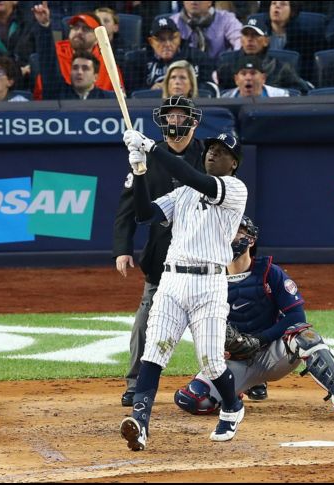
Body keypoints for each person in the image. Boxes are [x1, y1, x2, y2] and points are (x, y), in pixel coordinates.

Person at [118, 128, 248, 451]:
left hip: (209, 284)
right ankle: (141, 423)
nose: (212, 153)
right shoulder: (183, 194)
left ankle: (232, 406)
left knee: (211, 361)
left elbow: (195, 178)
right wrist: (140, 172)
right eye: (211, 149)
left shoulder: (234, 189)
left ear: (234, 163)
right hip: (172, 281)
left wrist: (151, 148)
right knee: (154, 352)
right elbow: (145, 214)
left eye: (222, 151)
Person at [173, 216, 334, 420]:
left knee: (305, 335)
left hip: (274, 354)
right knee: (191, 399)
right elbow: (201, 326)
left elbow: (296, 316)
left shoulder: (270, 272)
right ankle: (236, 392)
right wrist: (217, 347)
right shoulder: (208, 281)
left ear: (251, 239)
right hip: (236, 361)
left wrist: (260, 340)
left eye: (237, 231)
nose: (229, 236)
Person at [113, 95, 206, 408]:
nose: (174, 122)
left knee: (232, 319)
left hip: (206, 253)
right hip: (161, 256)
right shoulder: (145, 158)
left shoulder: (211, 154)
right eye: (169, 117)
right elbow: (130, 208)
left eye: (181, 116)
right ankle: (135, 382)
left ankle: (246, 378)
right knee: (145, 321)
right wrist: (123, 248)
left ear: (193, 121)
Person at [31, 5, 121, 100]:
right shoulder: (54, 55)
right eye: (75, 27)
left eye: (85, 29)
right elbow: (47, 59)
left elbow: (120, 98)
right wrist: (45, 26)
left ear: (97, 37)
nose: (79, 32)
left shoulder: (109, 64)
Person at [123, 16, 217, 97]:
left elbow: (212, 89)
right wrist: (150, 90)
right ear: (151, 41)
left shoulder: (197, 57)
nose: (167, 44)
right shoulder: (137, 60)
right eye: (161, 39)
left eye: (172, 38)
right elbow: (128, 93)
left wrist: (188, 87)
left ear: (179, 38)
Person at [215, 16, 313, 93]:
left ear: (266, 41)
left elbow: (303, 91)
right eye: (246, 35)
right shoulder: (228, 65)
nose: (249, 39)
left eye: (255, 35)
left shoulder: (280, 68)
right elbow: (216, 92)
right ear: (241, 39)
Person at [264, 0, 327, 83]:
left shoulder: (304, 40)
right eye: (273, 3)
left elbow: (307, 73)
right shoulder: (259, 36)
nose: (277, 6)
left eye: (283, 4)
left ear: (292, 11)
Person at [170, 0, 243, 61]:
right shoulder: (173, 21)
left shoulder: (226, 18)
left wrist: (233, 62)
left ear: (210, 2)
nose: (193, 1)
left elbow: (241, 40)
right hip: (183, 71)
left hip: (216, 69)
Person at [221, 55, 291, 97]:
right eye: (244, 74)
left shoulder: (280, 96)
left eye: (253, 73)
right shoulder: (224, 99)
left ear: (263, 78)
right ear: (236, 79)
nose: (248, 78)